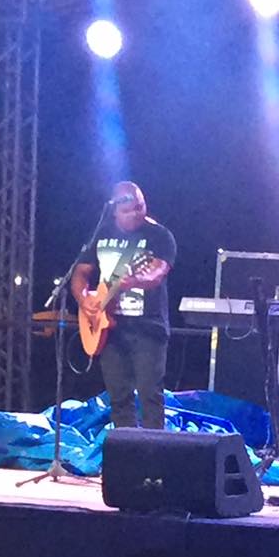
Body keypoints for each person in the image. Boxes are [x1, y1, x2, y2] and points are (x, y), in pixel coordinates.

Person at [72, 181, 177, 429]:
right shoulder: (102, 233)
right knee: (119, 397)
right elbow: (80, 273)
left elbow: (157, 273)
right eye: (128, 210)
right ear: (115, 211)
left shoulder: (159, 236)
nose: (136, 213)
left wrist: (134, 281)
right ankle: (125, 450)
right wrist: (84, 300)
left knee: (150, 395)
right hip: (110, 329)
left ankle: (153, 451)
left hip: (148, 327)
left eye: (140, 207)